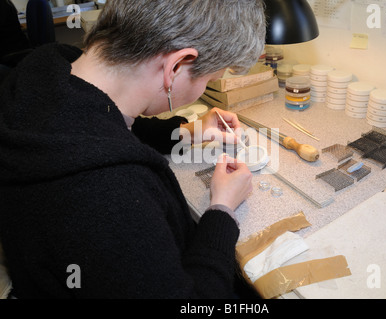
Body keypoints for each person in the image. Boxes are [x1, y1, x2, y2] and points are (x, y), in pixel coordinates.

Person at [0, 0, 266, 298]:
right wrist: (222, 212)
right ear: (176, 66)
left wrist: (186, 131)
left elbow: (103, 120)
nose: (205, 87)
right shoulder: (109, 194)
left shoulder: (45, 71)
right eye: (210, 79)